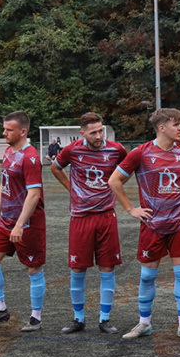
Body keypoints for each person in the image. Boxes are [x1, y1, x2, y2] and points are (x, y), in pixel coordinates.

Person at [109, 108, 180, 341]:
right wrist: (130, 209)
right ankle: (144, 324)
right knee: (146, 277)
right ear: (162, 128)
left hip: (179, 223)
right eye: (176, 125)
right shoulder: (140, 153)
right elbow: (115, 180)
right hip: (152, 224)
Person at [51, 112, 127, 334]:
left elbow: (127, 167)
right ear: (82, 132)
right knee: (78, 268)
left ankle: (105, 319)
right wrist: (70, 187)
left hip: (106, 215)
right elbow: (56, 167)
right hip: (80, 216)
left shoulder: (116, 149)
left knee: (107, 267)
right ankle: (78, 318)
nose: (98, 135)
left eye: (101, 130)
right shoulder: (72, 149)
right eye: (93, 132)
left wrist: (116, 184)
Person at [0, 111, 47, 331]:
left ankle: (35, 318)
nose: (4, 132)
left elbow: (34, 195)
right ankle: (0, 310)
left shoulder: (30, 157)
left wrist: (19, 225)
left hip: (27, 223)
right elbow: (4, 184)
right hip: (6, 219)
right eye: (5, 128)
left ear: (23, 131)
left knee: (33, 268)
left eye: (9, 129)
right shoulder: (8, 152)